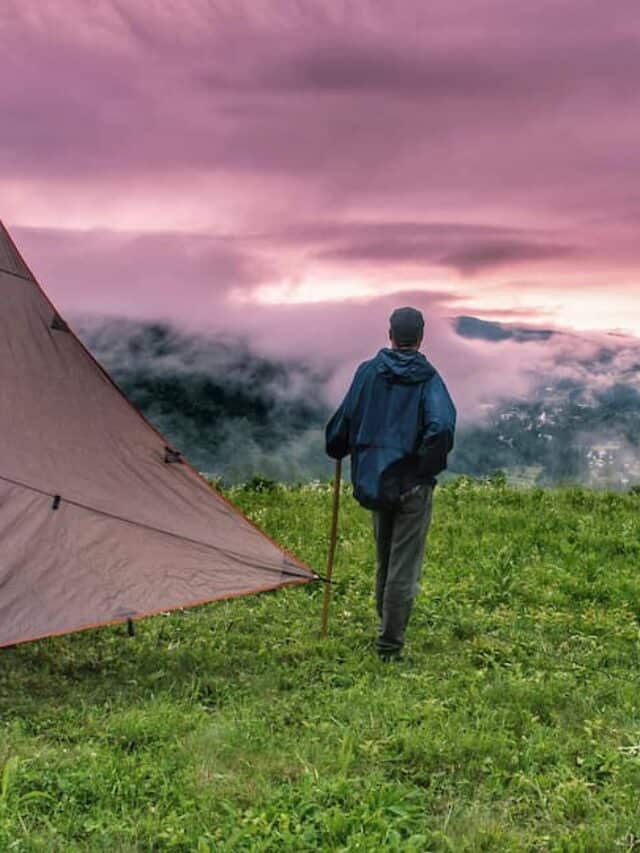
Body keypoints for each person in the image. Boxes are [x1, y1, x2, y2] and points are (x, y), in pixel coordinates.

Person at [325, 307, 456, 661]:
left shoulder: (367, 373)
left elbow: (344, 421)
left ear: (390, 334)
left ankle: (386, 622)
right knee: (403, 563)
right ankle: (389, 644)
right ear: (421, 336)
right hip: (412, 485)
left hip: (376, 480)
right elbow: (441, 426)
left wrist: (336, 445)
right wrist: (422, 468)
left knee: (385, 556)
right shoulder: (429, 380)